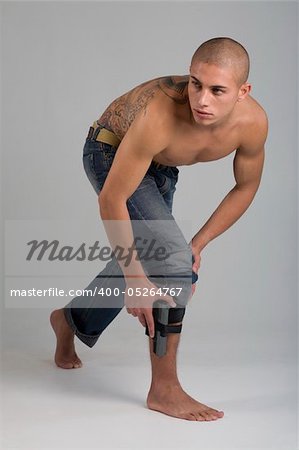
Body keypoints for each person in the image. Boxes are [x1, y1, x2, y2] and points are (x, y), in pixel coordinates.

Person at [50, 37, 268, 422]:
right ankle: (164, 389)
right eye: (196, 83)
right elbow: (111, 200)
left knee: (161, 259)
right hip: (110, 152)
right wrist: (136, 276)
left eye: (218, 90)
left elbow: (246, 186)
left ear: (242, 92)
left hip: (160, 167)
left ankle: (70, 321)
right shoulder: (161, 115)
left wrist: (199, 243)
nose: (201, 100)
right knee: (167, 263)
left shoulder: (253, 124)